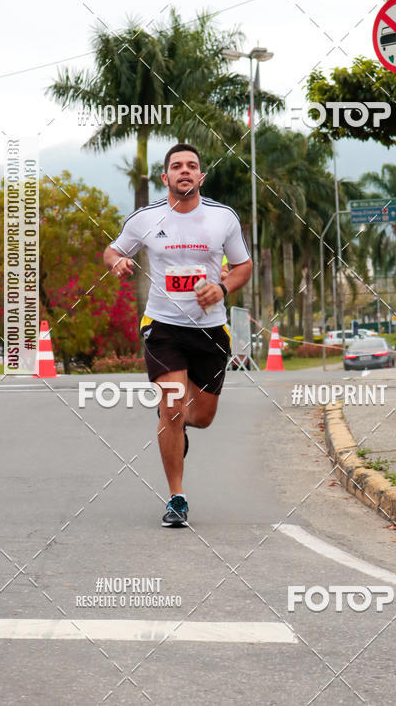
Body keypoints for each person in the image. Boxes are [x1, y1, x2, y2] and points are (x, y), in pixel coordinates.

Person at [103, 144, 252, 527]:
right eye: (176, 166)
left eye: (191, 166)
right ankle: (177, 498)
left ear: (200, 176)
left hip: (210, 329)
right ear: (165, 176)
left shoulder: (222, 218)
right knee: (172, 406)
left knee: (200, 417)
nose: (184, 170)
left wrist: (222, 288)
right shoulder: (145, 218)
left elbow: (243, 266)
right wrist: (118, 262)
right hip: (163, 326)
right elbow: (112, 251)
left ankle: (177, 422)